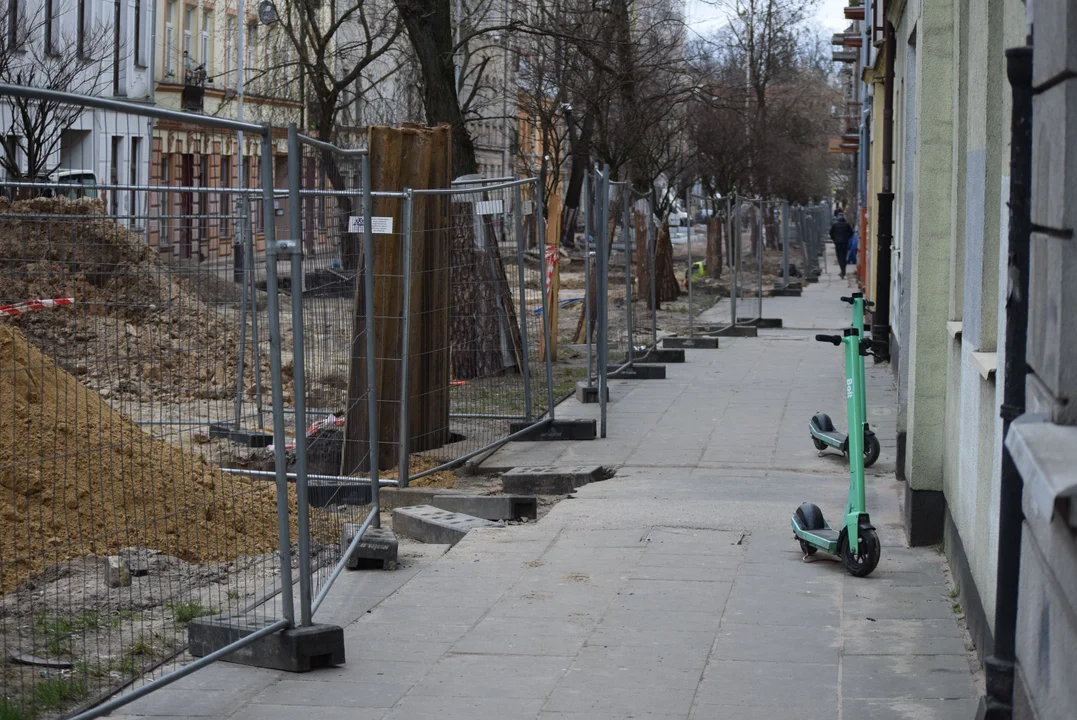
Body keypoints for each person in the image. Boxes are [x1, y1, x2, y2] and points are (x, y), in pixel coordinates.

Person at [829, 212, 854, 279]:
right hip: (845, 242)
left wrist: (834, 239)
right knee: (844, 257)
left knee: (839, 257)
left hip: (837, 243)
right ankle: (843, 271)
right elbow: (851, 233)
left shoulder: (835, 225)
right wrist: (847, 238)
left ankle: (842, 271)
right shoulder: (847, 225)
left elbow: (831, 233)